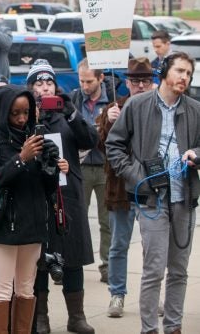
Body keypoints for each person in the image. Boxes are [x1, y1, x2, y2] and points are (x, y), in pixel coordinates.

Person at [106, 51, 200, 334]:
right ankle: (149, 329)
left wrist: (196, 154)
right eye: (179, 71)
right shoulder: (137, 105)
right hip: (151, 201)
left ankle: (173, 327)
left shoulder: (195, 109)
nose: (184, 77)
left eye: (188, 73)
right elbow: (115, 146)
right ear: (164, 72)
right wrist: (137, 178)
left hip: (184, 199)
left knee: (179, 270)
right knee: (154, 270)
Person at [0, 85, 58, 333]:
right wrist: (21, 158)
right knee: (0, 290)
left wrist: (51, 165)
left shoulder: (37, 140)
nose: (22, 119)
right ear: (3, 113)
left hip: (33, 226)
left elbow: (48, 189)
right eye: (15, 113)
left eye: (26, 112)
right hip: (4, 227)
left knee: (26, 289)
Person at [27, 60, 98, 334]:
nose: (45, 88)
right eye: (39, 83)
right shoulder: (26, 114)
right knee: (41, 257)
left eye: (49, 82)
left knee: (73, 254)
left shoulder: (67, 114)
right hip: (38, 195)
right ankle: (41, 317)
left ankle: (76, 316)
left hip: (68, 196)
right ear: (30, 87)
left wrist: (70, 113)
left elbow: (90, 139)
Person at [96, 57, 155, 318]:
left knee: (153, 245)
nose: (140, 85)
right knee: (118, 244)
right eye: (135, 81)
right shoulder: (113, 108)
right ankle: (117, 295)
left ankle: (152, 296)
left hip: (151, 189)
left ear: (152, 82)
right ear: (127, 83)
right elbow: (100, 148)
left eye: (145, 80)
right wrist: (108, 122)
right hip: (120, 190)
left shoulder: (158, 109)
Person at [70, 58, 112, 283]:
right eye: (81, 81)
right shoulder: (75, 99)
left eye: (89, 81)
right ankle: (72, 263)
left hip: (105, 167)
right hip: (81, 166)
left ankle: (108, 266)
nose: (85, 86)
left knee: (107, 221)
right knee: (76, 217)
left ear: (100, 78)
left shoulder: (112, 101)